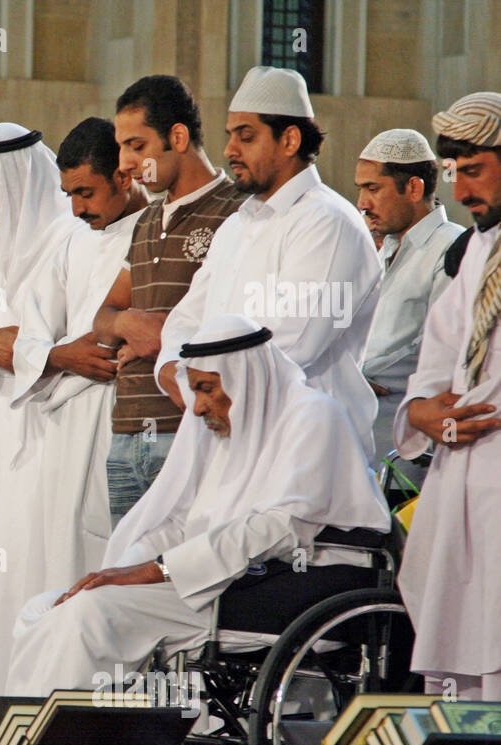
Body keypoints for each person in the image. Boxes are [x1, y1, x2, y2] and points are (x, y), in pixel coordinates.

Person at [7, 314, 389, 695]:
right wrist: (118, 571)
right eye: (195, 391)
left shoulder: (314, 414)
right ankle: (25, 739)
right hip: (223, 580)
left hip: (289, 583)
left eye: (207, 389)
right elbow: (183, 521)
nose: (197, 408)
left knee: (90, 616)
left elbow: (283, 527)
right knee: (46, 608)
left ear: (245, 380)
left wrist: (158, 570)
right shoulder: (227, 430)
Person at [0, 122, 108, 720]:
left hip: (52, 439)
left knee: (38, 579)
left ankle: (39, 743)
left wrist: (29, 351)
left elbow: (91, 349)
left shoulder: (72, 241)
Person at [156, 66, 382, 460]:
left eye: (246, 137)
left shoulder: (328, 221)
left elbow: (296, 341)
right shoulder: (235, 227)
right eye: (229, 136)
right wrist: (174, 371)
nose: (229, 151)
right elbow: (187, 321)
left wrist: (204, 382)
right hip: (227, 441)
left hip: (304, 449)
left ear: (290, 139)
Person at [93, 75, 245, 522]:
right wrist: (127, 326)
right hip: (125, 435)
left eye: (137, 146)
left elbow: (236, 320)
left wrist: (171, 333)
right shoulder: (145, 221)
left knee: (180, 578)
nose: (125, 163)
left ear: (177, 137)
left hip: (190, 431)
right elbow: (103, 315)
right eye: (122, 148)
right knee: (123, 577)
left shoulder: (236, 211)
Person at [395, 92, 501, 700]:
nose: (460, 192)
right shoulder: (481, 250)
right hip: (459, 487)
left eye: (474, 169)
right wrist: (421, 412)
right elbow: (436, 359)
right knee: (459, 683)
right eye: (453, 171)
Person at [355, 129, 465, 464]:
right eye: (360, 189)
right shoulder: (376, 250)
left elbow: (438, 346)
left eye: (372, 188)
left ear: (414, 188)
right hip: (359, 437)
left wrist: (354, 374)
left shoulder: (451, 247)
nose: (361, 203)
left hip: (407, 449)